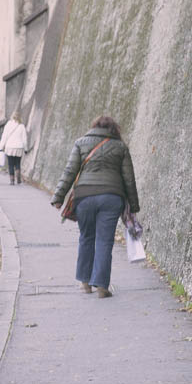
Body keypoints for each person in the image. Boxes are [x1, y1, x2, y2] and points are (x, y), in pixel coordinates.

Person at [51, 115, 140, 298]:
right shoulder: (120, 147)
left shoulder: (80, 143)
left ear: (94, 127)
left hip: (84, 197)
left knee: (86, 237)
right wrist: (133, 205)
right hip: (111, 198)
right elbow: (129, 179)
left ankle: (85, 282)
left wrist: (58, 197)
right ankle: (101, 286)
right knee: (104, 241)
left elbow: (70, 171)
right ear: (114, 129)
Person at [0, 112, 29, 184]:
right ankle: (18, 177)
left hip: (9, 147)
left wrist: (0, 147)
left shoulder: (8, 125)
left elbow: (4, 137)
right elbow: (24, 140)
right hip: (19, 147)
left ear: (12, 116)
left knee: (10, 164)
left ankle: (12, 180)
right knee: (17, 163)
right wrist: (26, 149)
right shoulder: (22, 126)